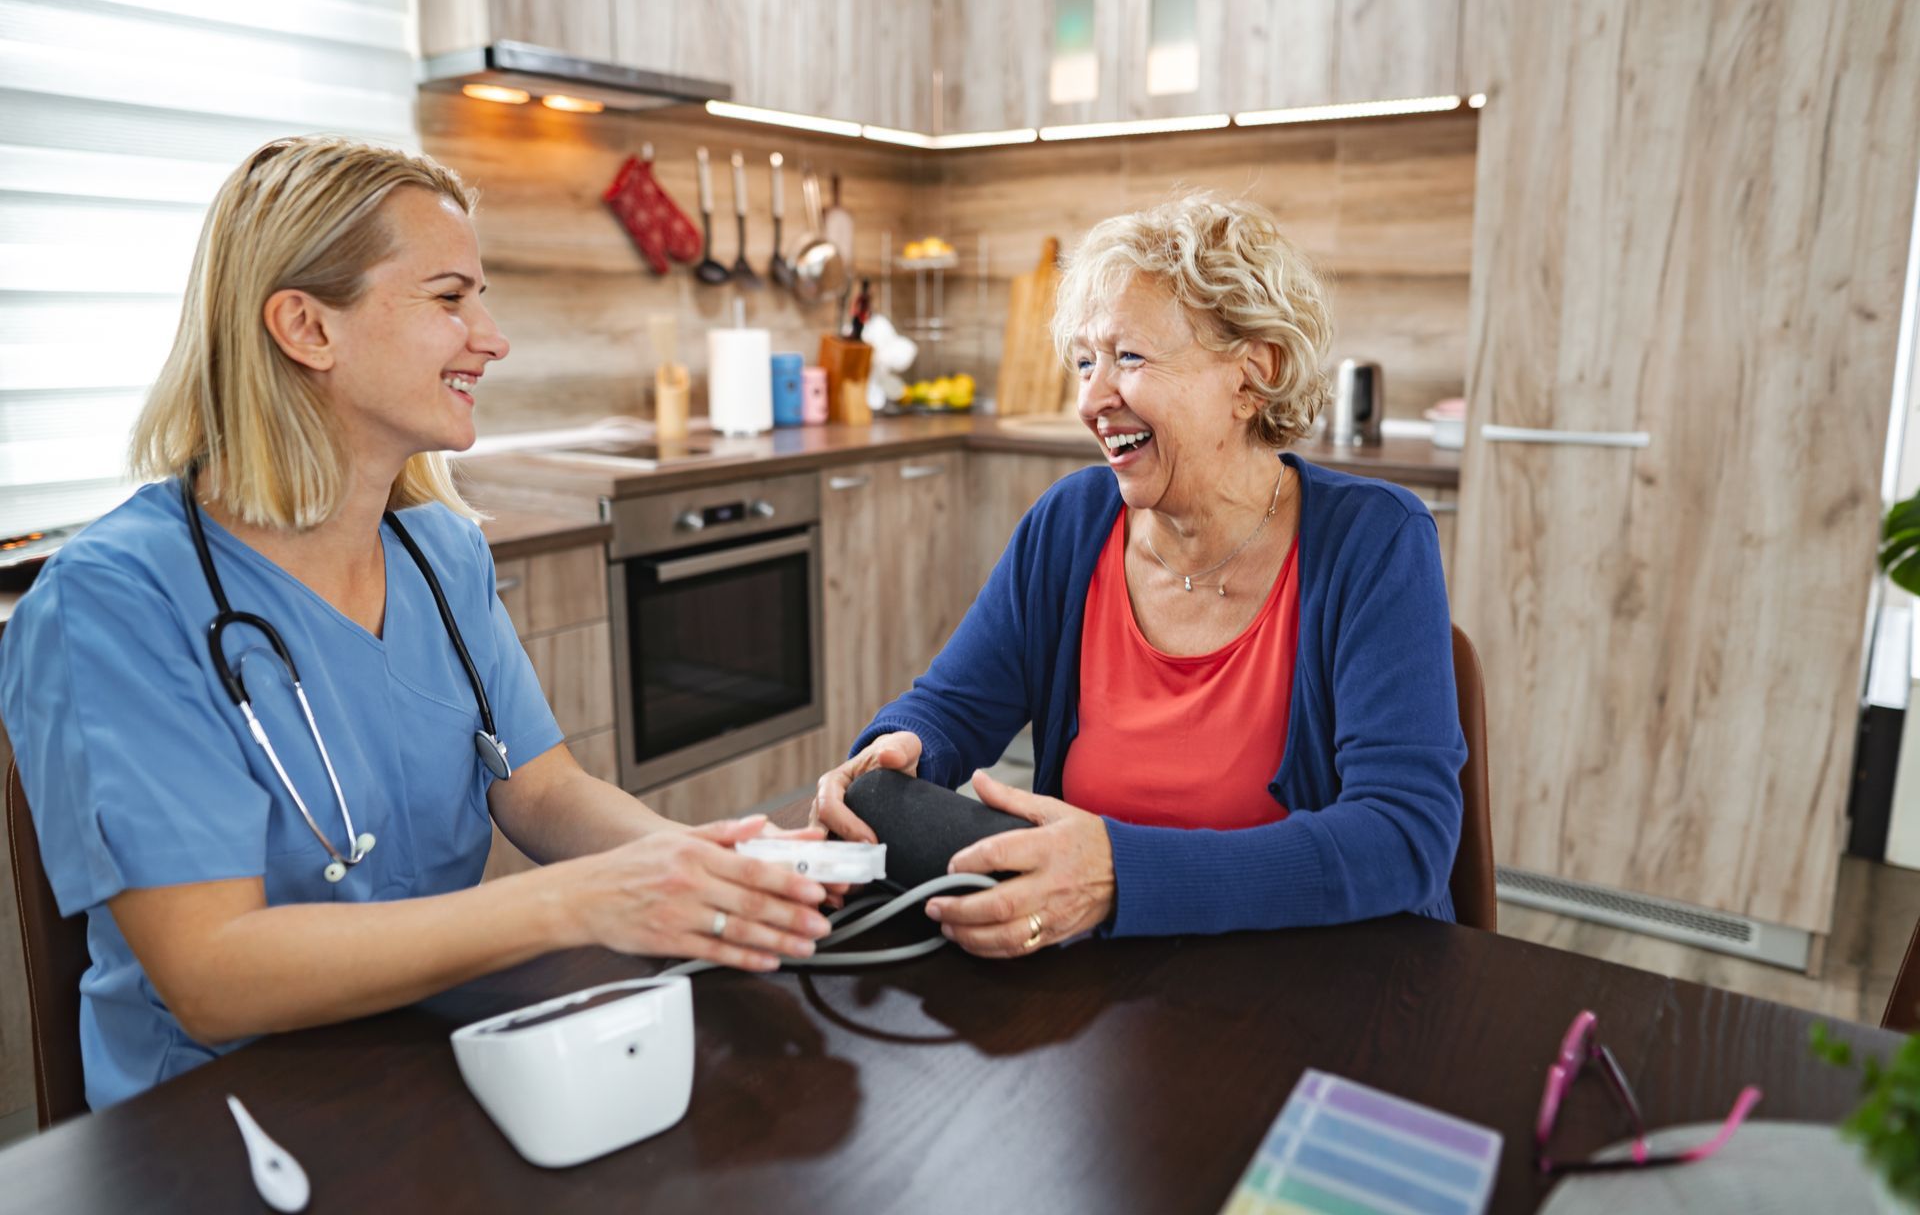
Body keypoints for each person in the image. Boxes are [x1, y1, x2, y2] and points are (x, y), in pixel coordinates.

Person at [0, 136, 832, 1109]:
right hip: (222, 1118)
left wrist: (690, 867)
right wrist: (575, 901)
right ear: (307, 327)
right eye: (450, 298)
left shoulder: (442, 553)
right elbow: (213, 973)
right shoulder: (114, 602)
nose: (491, 335)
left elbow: (543, 789)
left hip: (434, 1049)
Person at [814, 194, 1465, 956]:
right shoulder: (1071, 525)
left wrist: (1120, 875)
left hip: (1312, 989)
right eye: (1086, 362)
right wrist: (898, 748)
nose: (1091, 399)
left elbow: (1404, 838)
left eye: (1129, 358)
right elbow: (950, 706)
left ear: (1254, 374)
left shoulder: (1375, 540)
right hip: (1096, 987)